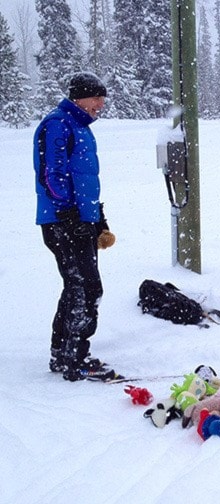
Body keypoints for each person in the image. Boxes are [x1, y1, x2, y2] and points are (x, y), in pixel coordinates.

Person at [33, 71, 119, 382]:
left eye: (103, 98)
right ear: (79, 97)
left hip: (79, 221)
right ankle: (73, 358)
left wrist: (97, 217)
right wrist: (70, 216)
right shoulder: (58, 124)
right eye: (96, 97)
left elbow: (83, 181)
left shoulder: (80, 128)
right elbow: (51, 173)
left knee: (80, 286)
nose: (101, 103)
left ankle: (65, 353)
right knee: (84, 287)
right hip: (61, 222)